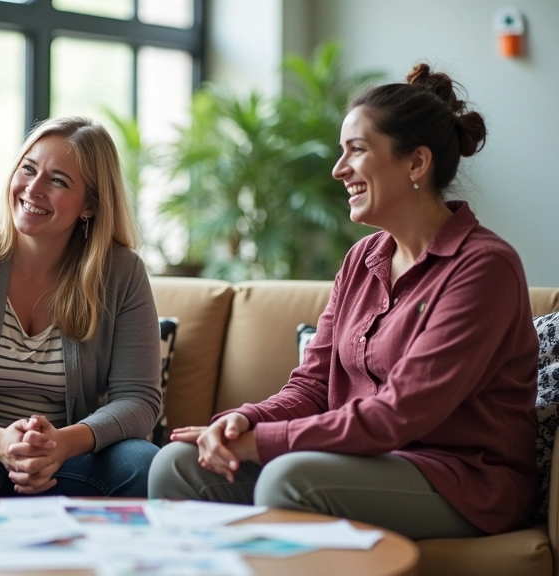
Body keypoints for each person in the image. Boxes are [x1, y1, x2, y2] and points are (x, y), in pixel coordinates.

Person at [148, 63, 539, 540]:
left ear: (416, 163)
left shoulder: (484, 268)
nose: (338, 169)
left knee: (292, 480)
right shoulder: (362, 259)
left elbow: (399, 414)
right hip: (359, 461)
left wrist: (264, 443)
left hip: (461, 481)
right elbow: (312, 387)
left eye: (356, 150)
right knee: (178, 465)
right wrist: (244, 420)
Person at [0, 116, 161, 499]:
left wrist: (63, 444)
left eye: (58, 181)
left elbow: (139, 401)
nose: (33, 189)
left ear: (90, 204)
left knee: (143, 465)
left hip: (67, 455)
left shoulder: (122, 273)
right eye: (28, 169)